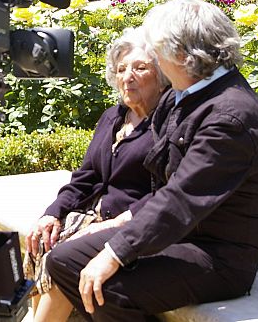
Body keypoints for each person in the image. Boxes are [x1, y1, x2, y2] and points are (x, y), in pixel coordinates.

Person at [37, 0, 258, 322]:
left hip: (217, 255)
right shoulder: (187, 97)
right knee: (63, 260)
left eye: (155, 53)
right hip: (180, 235)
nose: (154, 61)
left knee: (109, 286)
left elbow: (181, 199)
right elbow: (155, 182)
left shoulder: (230, 116)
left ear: (180, 55)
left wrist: (115, 252)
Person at [25, 27, 169, 320]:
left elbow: (167, 191)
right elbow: (86, 176)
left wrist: (113, 223)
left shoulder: (166, 125)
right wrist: (52, 213)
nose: (128, 77)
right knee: (41, 237)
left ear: (161, 76)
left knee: (62, 257)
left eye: (140, 68)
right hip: (93, 216)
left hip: (131, 225)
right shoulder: (113, 118)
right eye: (121, 69)